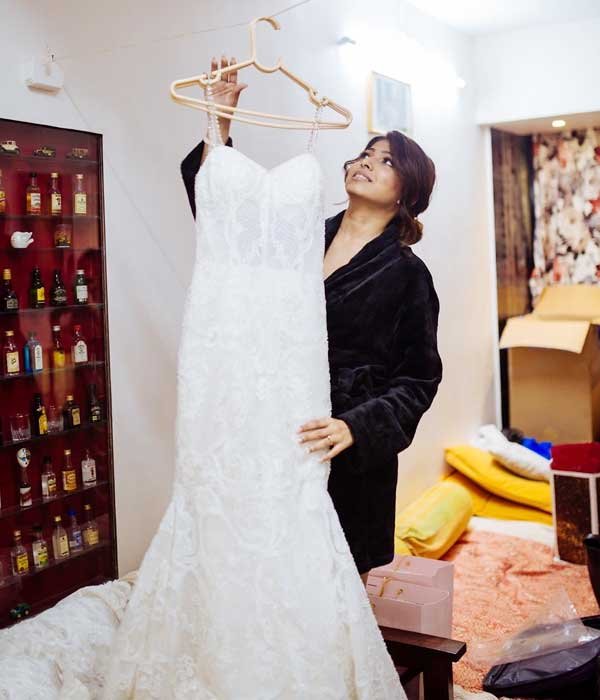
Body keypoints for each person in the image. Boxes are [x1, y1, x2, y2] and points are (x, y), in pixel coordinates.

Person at [181, 56, 443, 587]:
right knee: (268, 577)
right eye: (365, 153)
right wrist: (220, 121)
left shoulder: (406, 274)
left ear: (407, 191)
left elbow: (418, 380)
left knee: (336, 587)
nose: (366, 162)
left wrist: (357, 426)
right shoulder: (297, 237)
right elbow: (225, 224)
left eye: (386, 161)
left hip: (342, 448)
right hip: (272, 425)